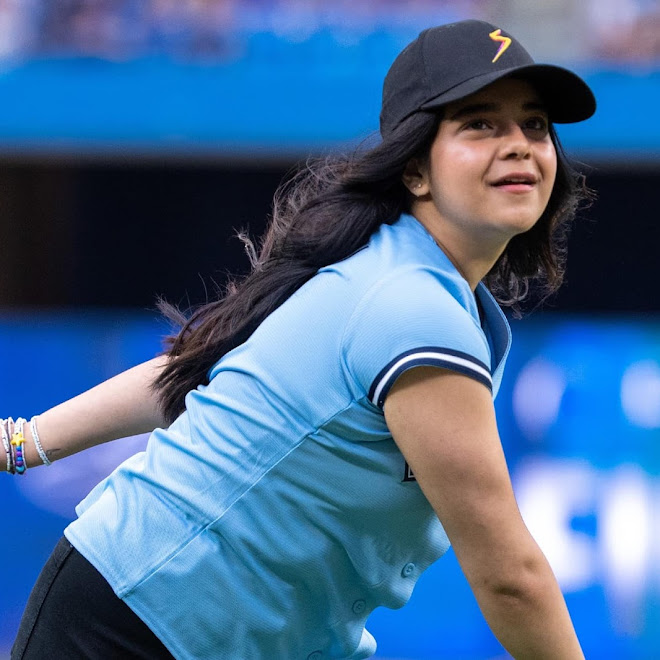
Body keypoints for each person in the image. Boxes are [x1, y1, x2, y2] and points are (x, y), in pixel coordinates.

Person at [4, 18, 596, 660]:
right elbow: (510, 577)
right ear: (415, 170)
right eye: (480, 124)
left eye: (534, 125)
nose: (518, 145)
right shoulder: (410, 305)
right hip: (135, 624)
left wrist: (22, 439)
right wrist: (22, 442)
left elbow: (196, 370)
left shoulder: (393, 271)